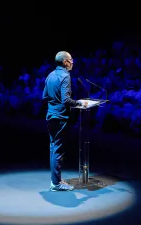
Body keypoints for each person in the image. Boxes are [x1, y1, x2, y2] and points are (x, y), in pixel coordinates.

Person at [43, 51, 88, 191]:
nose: (72, 62)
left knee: (53, 148)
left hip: (50, 116)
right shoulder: (65, 76)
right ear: (64, 62)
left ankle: (55, 180)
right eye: (70, 60)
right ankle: (56, 184)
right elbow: (66, 100)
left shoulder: (50, 75)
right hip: (60, 118)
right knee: (58, 150)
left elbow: (45, 96)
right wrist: (80, 103)